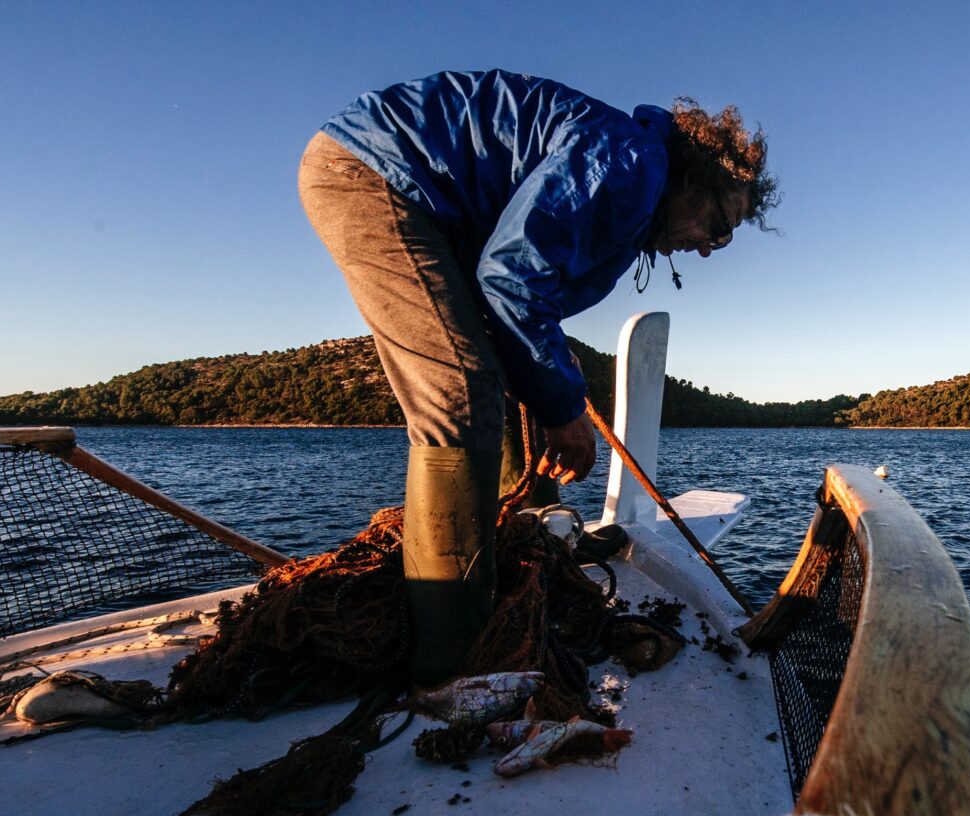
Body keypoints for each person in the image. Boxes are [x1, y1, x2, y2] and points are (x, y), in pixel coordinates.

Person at [299, 70, 775, 684]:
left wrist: (553, 373)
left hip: (413, 193)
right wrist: (563, 409)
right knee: (461, 396)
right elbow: (509, 279)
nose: (714, 245)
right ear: (693, 179)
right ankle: (456, 661)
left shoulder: (629, 180)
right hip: (379, 172)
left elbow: (521, 296)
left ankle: (523, 554)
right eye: (719, 224)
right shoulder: (631, 165)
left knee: (494, 375)